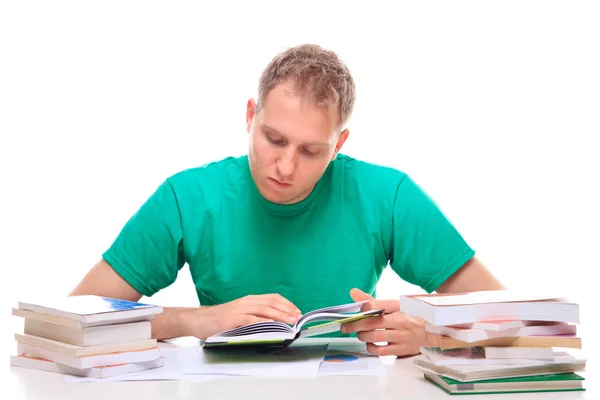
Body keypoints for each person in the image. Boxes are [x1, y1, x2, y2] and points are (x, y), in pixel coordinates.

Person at [70, 43, 504, 357]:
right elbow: (73, 319)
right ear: (249, 117)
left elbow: (513, 315)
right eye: (273, 139)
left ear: (339, 145)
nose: (285, 167)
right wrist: (199, 321)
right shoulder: (187, 197)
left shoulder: (386, 195)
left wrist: (429, 331)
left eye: (311, 150)